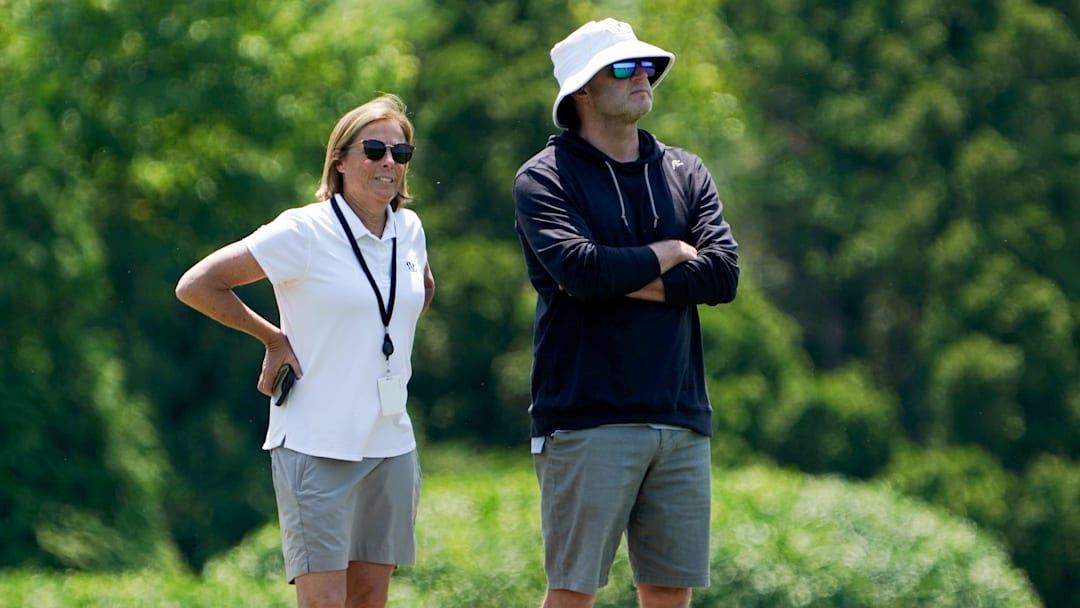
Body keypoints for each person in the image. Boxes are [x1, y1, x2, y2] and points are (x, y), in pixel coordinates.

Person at [513, 19, 740, 608]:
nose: (642, 75)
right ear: (581, 92)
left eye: (647, 65)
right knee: (572, 593)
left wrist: (611, 275)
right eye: (622, 67)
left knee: (669, 593)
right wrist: (667, 253)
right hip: (587, 418)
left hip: (681, 414)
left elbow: (721, 275)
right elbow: (580, 271)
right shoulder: (544, 178)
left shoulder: (687, 170)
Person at [175, 93, 434, 608]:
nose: (388, 162)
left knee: (370, 600)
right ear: (339, 159)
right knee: (324, 603)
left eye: (400, 154)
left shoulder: (409, 229)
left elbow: (421, 289)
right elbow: (198, 284)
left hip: (391, 443)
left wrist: (376, 340)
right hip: (318, 443)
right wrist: (273, 338)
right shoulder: (304, 229)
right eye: (375, 149)